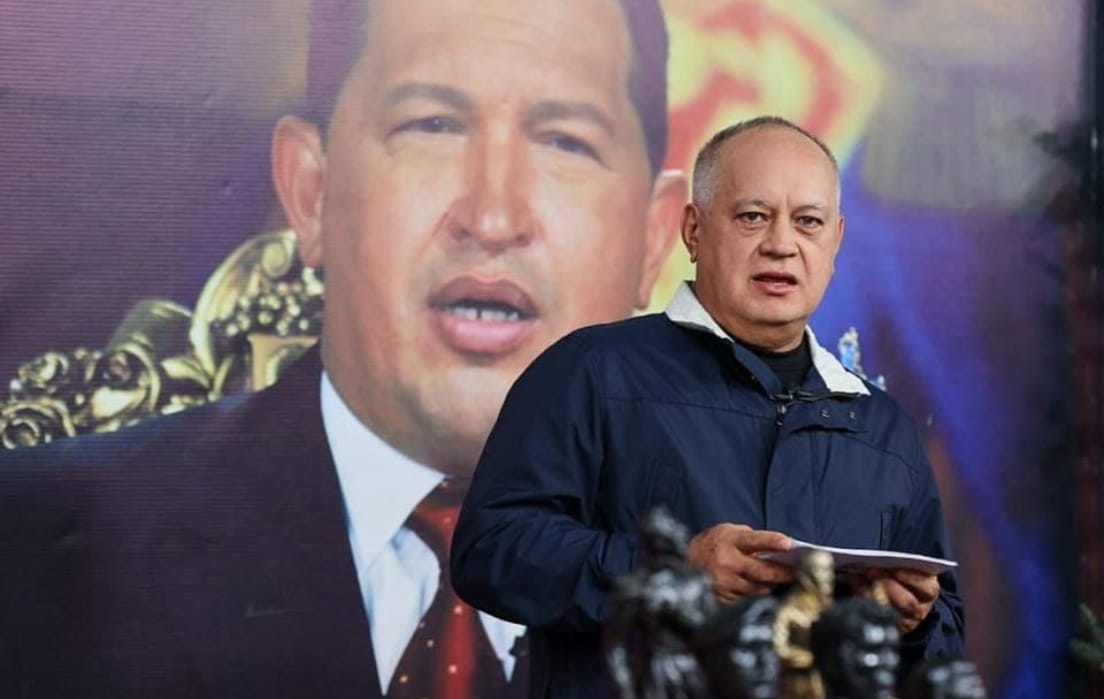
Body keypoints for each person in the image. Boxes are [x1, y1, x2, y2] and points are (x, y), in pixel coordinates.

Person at [0, 0, 683, 697]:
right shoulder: (31, 551)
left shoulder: (742, 591)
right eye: (432, 125)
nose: (492, 218)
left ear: (654, 237)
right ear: (311, 191)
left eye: (566, 141)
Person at [451, 116, 966, 698]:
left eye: (808, 221)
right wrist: (674, 572)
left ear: (836, 241)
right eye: (753, 216)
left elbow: (944, 631)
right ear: (693, 230)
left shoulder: (882, 426)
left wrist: (911, 622)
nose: (781, 244)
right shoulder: (591, 372)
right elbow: (491, 550)